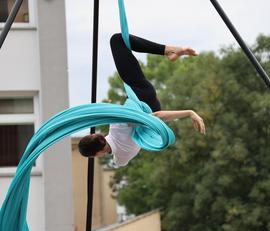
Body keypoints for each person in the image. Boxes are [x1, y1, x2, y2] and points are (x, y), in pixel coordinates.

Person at [78, 33, 206, 167]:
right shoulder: (118, 124)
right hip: (141, 94)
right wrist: (189, 112)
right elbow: (155, 117)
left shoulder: (121, 158)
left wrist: (104, 149)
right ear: (95, 137)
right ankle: (170, 50)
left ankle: (170, 51)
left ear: (97, 155)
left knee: (121, 43)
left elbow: (116, 156)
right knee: (117, 40)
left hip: (150, 104)